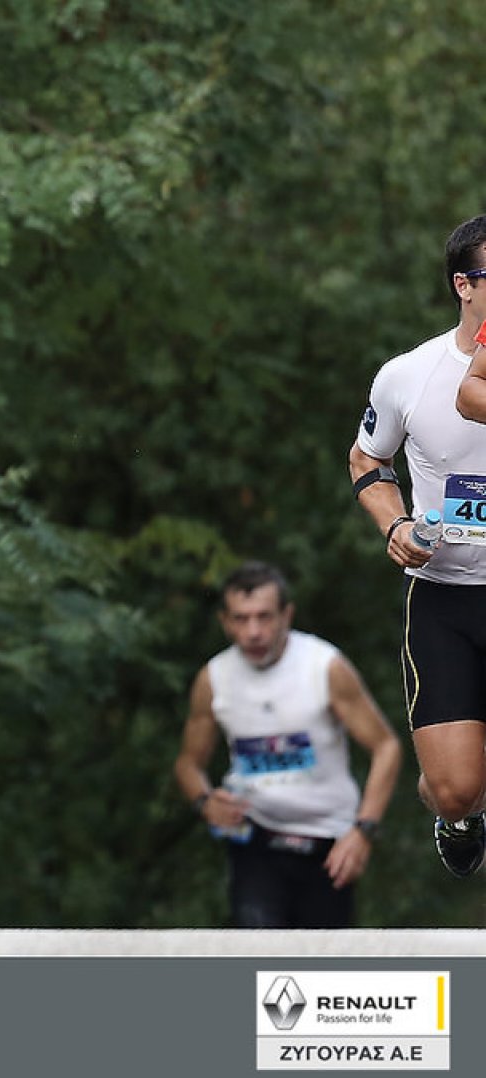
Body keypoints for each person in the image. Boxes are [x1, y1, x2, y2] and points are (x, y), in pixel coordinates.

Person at [352, 213, 486, 879]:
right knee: (457, 787)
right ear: (465, 285)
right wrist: (396, 526)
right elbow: (367, 460)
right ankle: (457, 814)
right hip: (445, 597)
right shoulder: (408, 375)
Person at [173, 562, 401, 927]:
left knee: (322, 955)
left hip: (328, 839)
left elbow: (386, 746)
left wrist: (364, 831)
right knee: (258, 945)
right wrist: (205, 802)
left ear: (287, 615)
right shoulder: (213, 679)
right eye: (241, 619)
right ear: (225, 622)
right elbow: (188, 763)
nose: (253, 632)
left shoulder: (324, 667)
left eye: (264, 617)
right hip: (255, 836)